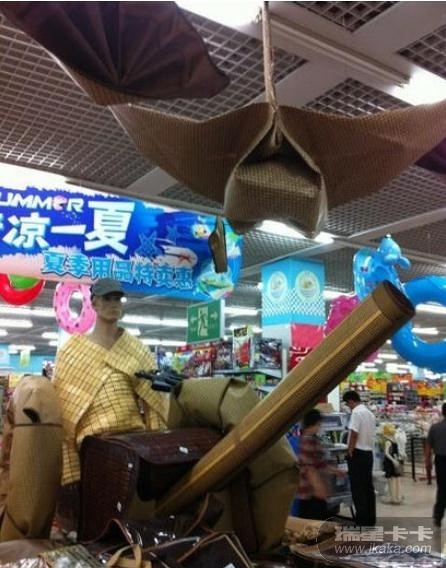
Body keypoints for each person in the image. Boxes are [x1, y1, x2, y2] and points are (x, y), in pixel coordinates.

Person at [53, 278, 169, 531]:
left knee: (134, 522)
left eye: (118, 299)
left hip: (134, 446)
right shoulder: (72, 352)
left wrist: (158, 452)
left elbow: (155, 403)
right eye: (107, 298)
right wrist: (71, 471)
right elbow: (64, 416)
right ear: (93, 303)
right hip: (93, 449)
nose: (114, 304)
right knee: (97, 522)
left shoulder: (136, 350)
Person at [296, 408, 346, 520]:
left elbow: (319, 463)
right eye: (319, 424)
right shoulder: (309, 441)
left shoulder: (309, 438)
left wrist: (335, 470)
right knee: (314, 523)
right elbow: (310, 469)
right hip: (311, 492)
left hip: (312, 492)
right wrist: (319, 488)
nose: (319, 427)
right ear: (314, 423)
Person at [342, 390, 376, 527]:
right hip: (368, 454)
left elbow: (354, 433)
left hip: (357, 454)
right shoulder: (369, 413)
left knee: (358, 489)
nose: (348, 406)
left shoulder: (356, 412)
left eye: (347, 404)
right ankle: (370, 520)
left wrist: (350, 450)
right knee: (368, 487)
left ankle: (361, 521)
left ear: (351, 401)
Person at [425, 402, 446, 527]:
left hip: (441, 461)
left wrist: (427, 462)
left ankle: (438, 516)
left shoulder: (435, 428)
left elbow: (428, 446)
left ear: (442, 412)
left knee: (442, 489)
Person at [381, 423, 403, 504]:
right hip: (395, 461)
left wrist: (393, 460)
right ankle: (397, 497)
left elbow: (386, 453)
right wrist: (397, 459)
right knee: (396, 479)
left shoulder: (388, 441)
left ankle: (393, 498)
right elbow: (395, 451)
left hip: (390, 462)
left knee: (391, 480)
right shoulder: (394, 440)